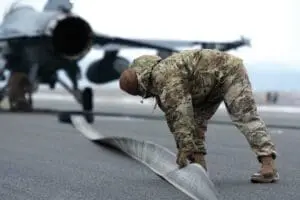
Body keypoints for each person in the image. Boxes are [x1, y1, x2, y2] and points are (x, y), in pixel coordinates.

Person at [118, 49, 279, 183]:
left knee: (245, 116)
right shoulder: (155, 73)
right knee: (195, 123)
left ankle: (268, 165)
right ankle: (199, 168)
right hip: (206, 86)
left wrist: (183, 152)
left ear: (141, 87)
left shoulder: (165, 78)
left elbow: (180, 116)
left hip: (229, 71)